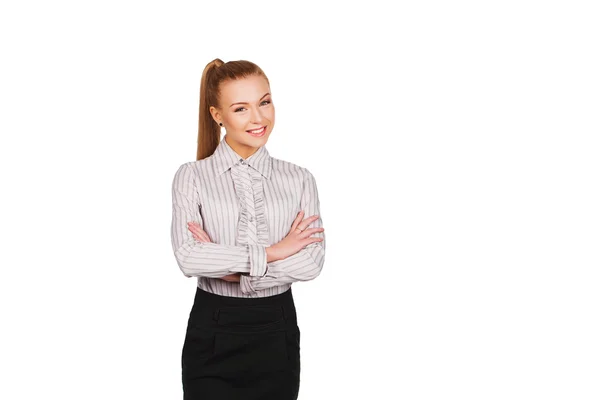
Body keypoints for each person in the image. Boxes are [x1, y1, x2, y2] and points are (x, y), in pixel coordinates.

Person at [170, 58, 326, 399]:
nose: (259, 119)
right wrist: (274, 251)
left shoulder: (299, 179)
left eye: (264, 102)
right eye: (241, 109)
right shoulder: (191, 176)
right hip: (212, 330)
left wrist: (236, 272)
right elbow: (188, 257)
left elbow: (312, 262)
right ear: (217, 115)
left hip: (276, 329)